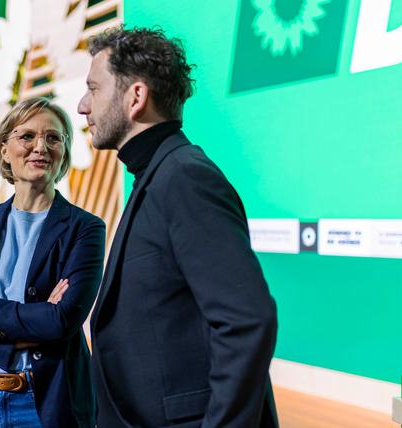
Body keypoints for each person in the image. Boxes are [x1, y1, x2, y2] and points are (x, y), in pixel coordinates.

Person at [78, 27, 279, 427]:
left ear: (135, 98)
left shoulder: (185, 177)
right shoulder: (156, 174)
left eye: (94, 89)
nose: (83, 105)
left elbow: (246, 320)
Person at [0, 97, 105, 428]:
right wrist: (29, 327)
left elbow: (60, 322)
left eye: (53, 138)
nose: (40, 147)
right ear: (4, 151)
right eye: (27, 137)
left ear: (64, 153)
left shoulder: (86, 229)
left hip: (47, 405)